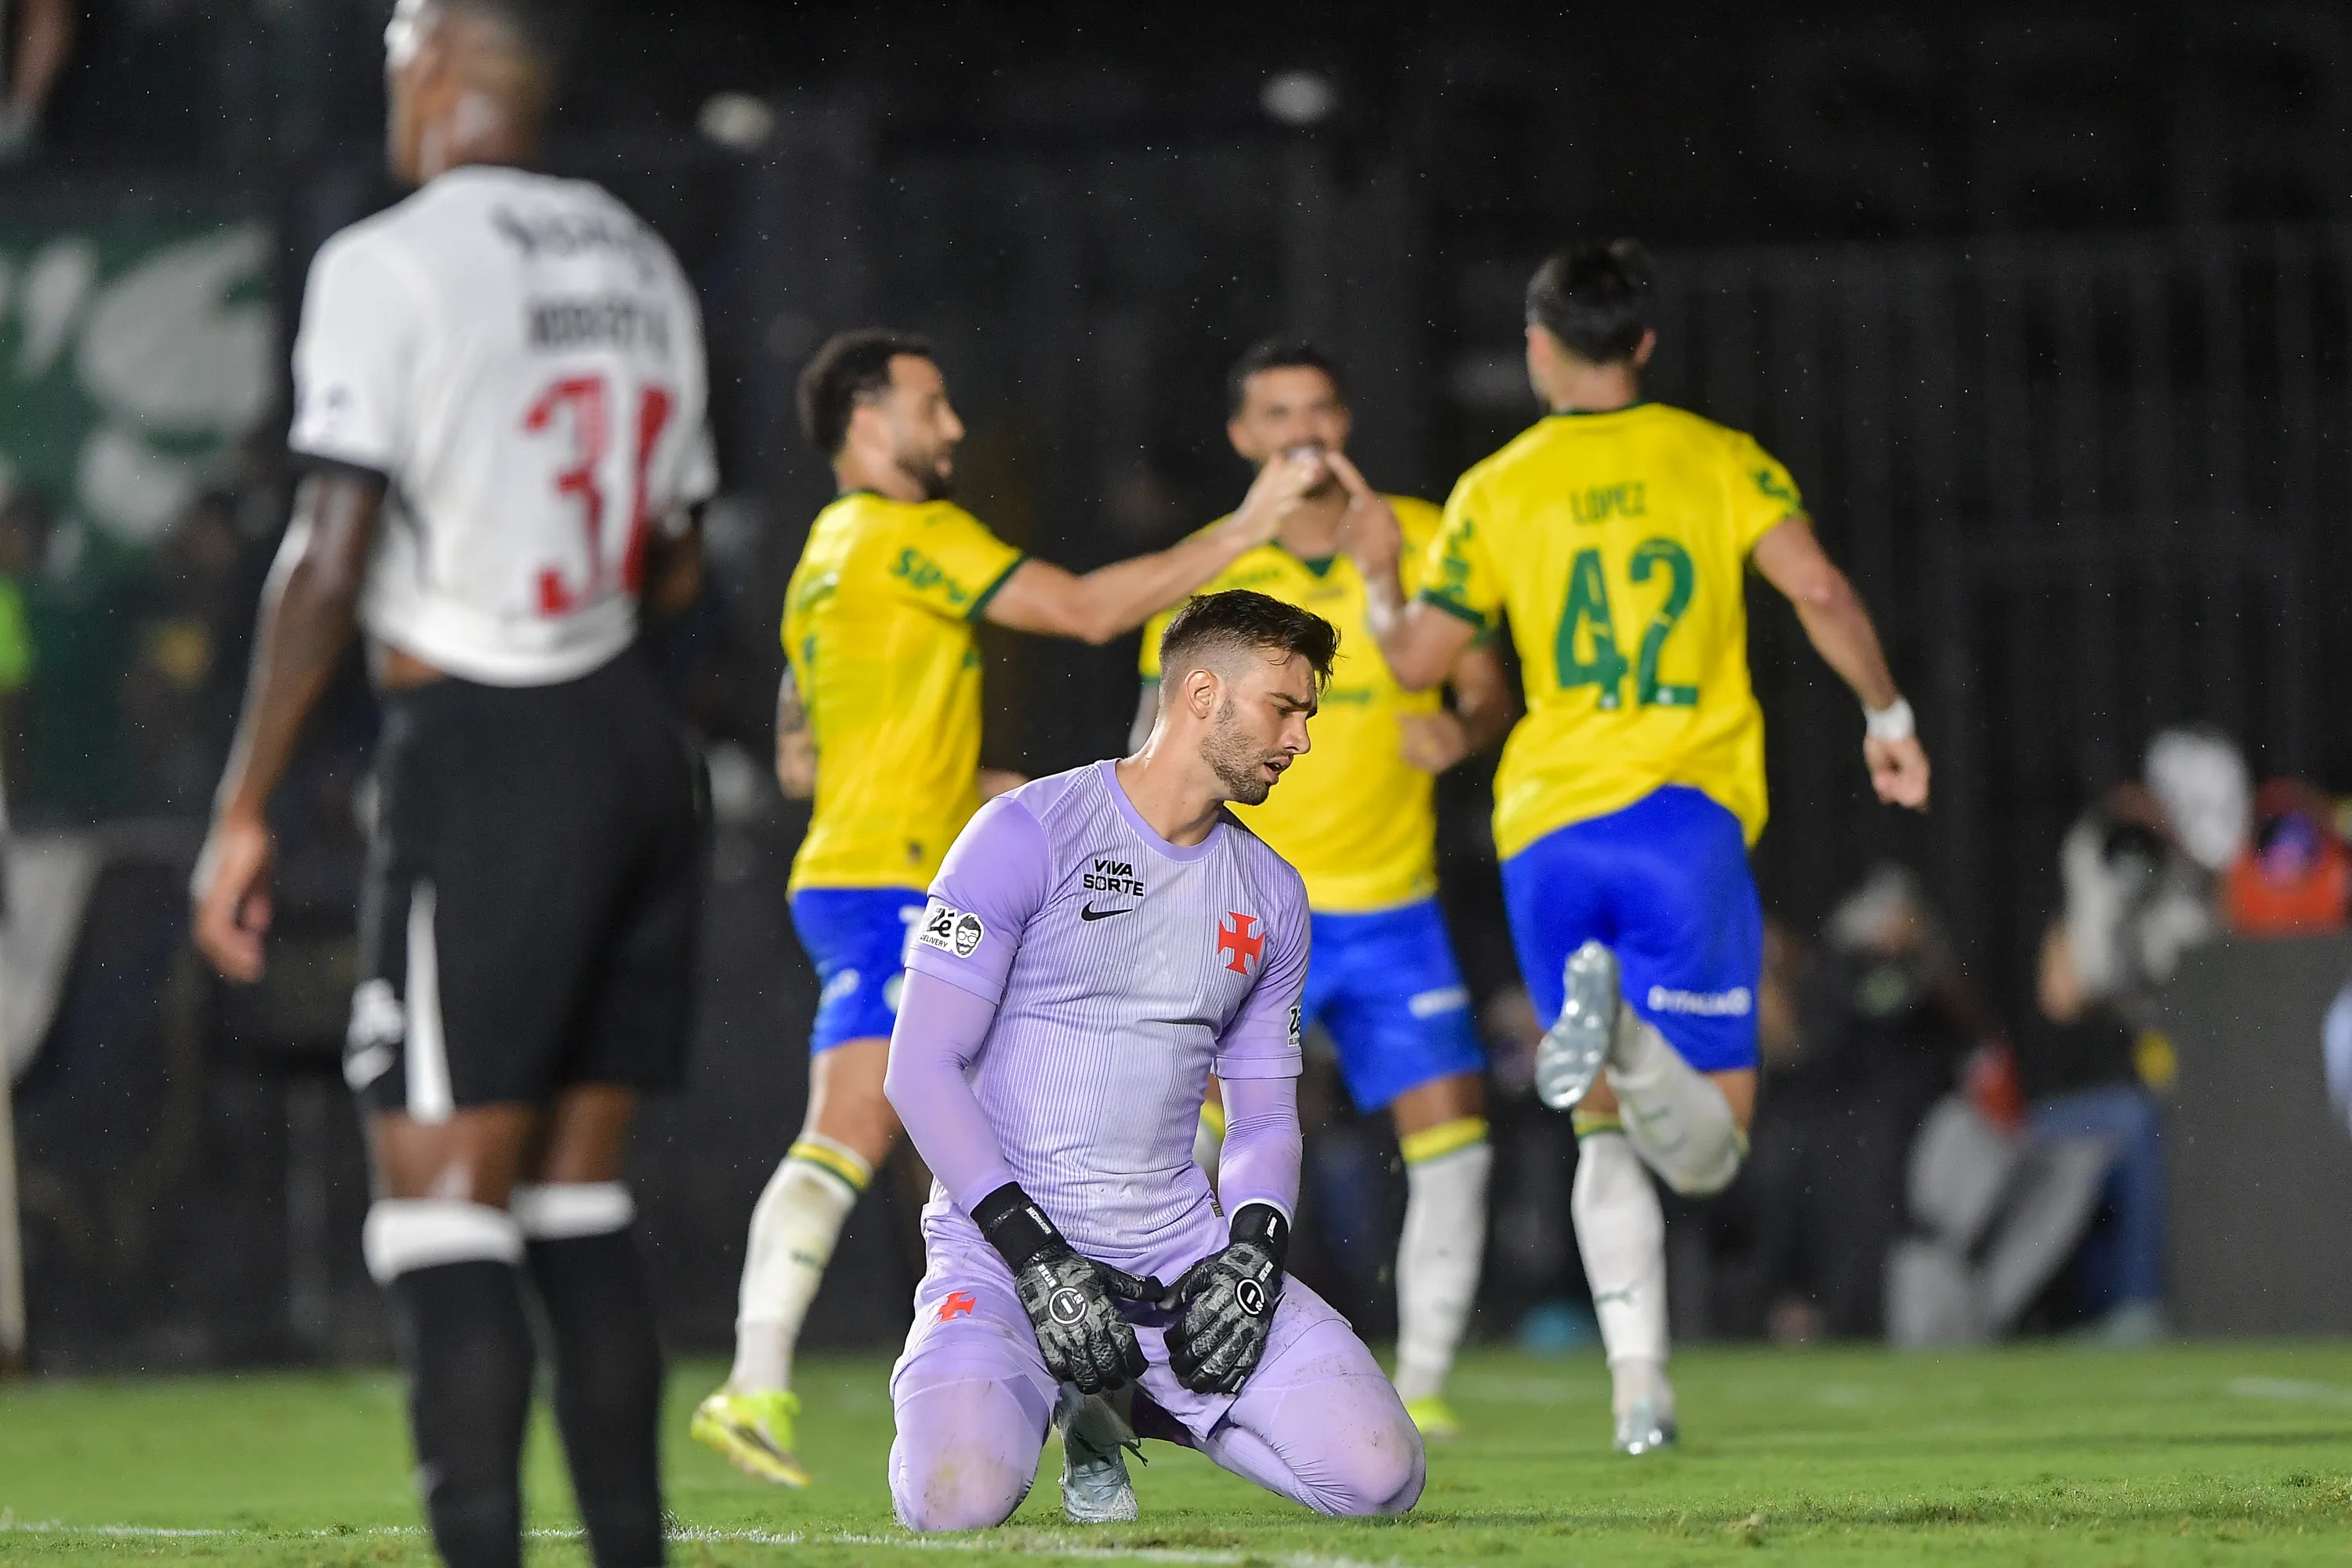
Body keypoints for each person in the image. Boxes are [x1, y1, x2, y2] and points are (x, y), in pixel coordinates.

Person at [190, 3, 713, 1563]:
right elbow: (680, 554)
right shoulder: (637, 254)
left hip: (486, 746)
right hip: (632, 739)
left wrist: (244, 803)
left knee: (436, 1201)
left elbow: (329, 550)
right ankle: (632, 1547)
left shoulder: (388, 260)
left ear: (433, 70)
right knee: (576, 1200)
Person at [693, 330, 1330, 1486]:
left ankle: (1015, 1384)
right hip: (900, 872)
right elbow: (1085, 610)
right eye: (931, 407)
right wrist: (1247, 530)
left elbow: (802, 754)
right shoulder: (911, 534)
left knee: (940, 1133)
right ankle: (769, 1377)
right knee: (931, 1115)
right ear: (866, 421)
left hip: (842, 866)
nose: (952, 430)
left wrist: (985, 792)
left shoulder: (821, 558)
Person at [1343, 239, 1930, 1454]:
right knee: (1707, 1154)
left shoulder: (1500, 485)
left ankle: (1640, 1391)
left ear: (1538, 348)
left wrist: (1385, 579)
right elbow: (1819, 593)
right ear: (1646, 346)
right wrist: (1888, 716)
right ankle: (1620, 1063)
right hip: (1680, 819)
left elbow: (1410, 666)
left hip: (1546, 831)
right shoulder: (1717, 459)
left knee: (1599, 1127)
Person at [881, 588, 1424, 1530]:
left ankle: (1123, 1400)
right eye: (1284, 709)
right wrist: (1037, 1255)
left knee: (1380, 1478)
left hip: (1179, 1261)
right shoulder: (1025, 830)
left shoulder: (1273, 893)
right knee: (953, 1504)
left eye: (1308, 715)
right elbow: (920, 1067)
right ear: (1203, 692)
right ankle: (1044, 1382)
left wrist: (1254, 1248)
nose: (1300, 741)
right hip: (1005, 1259)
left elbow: (1259, 1117)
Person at [1131, 340, 1518, 1437]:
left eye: (1322, 410)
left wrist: (1467, 727)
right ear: (1245, 438)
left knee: (1455, 1137)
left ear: (1345, 424)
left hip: (1391, 901)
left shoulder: (1422, 532)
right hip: (1241, 905)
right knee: (1180, 1142)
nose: (1304, 431)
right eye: (1278, 413)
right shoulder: (1214, 571)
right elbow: (1153, 743)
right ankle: (1161, 1357)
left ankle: (1428, 1385)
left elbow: (1482, 685)